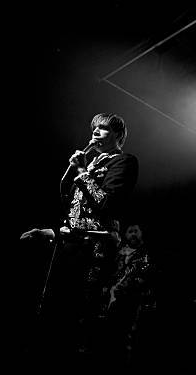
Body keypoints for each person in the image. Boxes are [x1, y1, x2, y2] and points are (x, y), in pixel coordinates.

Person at [20, 112, 138, 353]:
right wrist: (51, 232)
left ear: (118, 134)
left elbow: (104, 203)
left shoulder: (123, 161)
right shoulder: (92, 163)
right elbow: (73, 209)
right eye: (94, 127)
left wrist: (83, 171)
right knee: (53, 308)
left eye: (103, 128)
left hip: (95, 249)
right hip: (69, 246)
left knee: (82, 311)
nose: (95, 131)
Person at [101, 222, 158, 370]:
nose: (133, 234)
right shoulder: (119, 252)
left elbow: (148, 277)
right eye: (130, 231)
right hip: (112, 302)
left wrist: (130, 287)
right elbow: (110, 273)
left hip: (134, 303)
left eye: (136, 231)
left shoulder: (146, 254)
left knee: (128, 339)